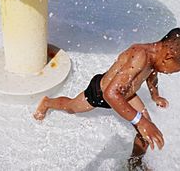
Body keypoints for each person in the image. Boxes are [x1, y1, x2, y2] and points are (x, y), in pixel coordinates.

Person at [34, 28, 180, 169]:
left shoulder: (156, 57)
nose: (173, 73)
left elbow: (152, 73)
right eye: (177, 69)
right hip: (100, 93)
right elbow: (110, 94)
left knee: (146, 131)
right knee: (72, 107)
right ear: (168, 56)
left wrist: (155, 96)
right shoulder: (141, 56)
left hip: (126, 96)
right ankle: (48, 102)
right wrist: (140, 121)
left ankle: (134, 163)